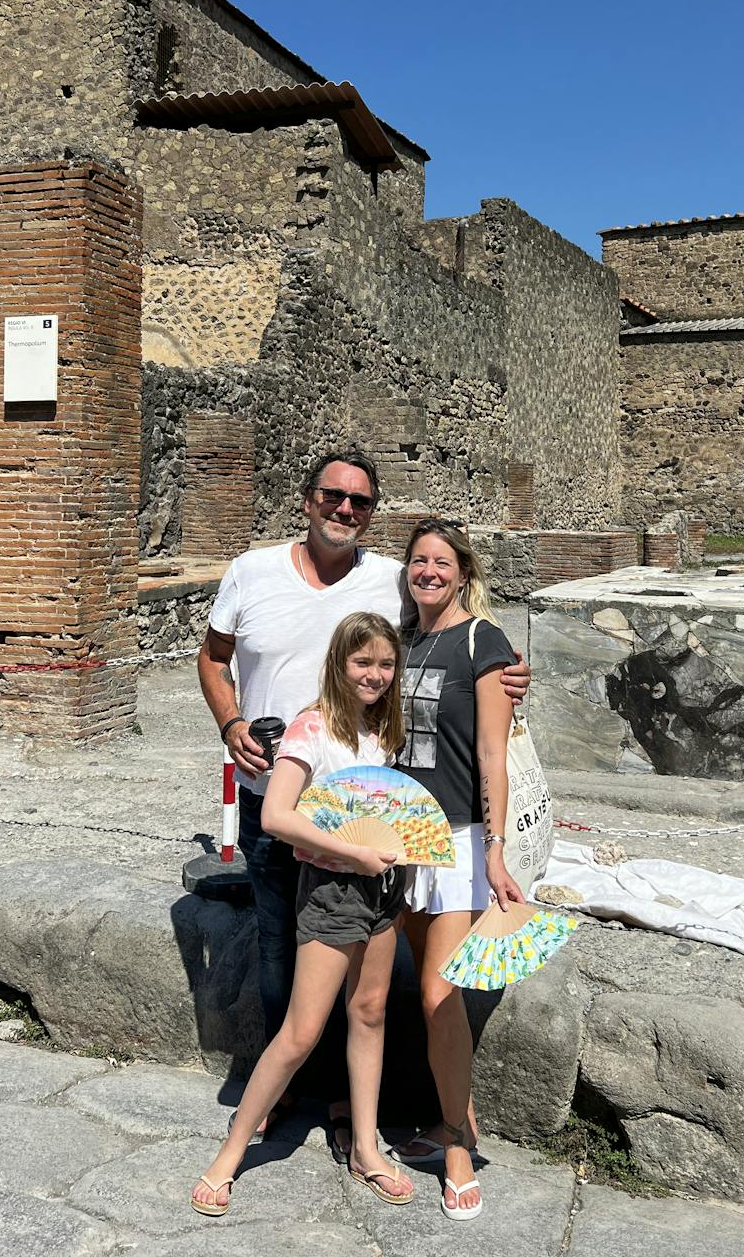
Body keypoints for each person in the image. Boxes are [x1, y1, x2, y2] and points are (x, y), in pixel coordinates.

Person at [198, 449, 530, 1156]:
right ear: (307, 498)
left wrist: (507, 671)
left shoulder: (393, 585)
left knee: (379, 990)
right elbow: (211, 656)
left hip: (384, 830)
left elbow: (466, 672)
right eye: (333, 496)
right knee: (280, 957)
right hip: (277, 802)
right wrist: (231, 727)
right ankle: (287, 1091)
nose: (345, 509)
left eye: (361, 502)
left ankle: (375, 1116)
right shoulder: (254, 570)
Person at [192, 612, 416, 1216]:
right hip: (333, 888)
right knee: (301, 1031)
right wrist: (354, 852)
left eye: (386, 664)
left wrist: (400, 856)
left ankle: (367, 1148)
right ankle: (231, 1152)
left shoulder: (384, 728)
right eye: (362, 662)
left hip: (382, 889)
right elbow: (276, 817)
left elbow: (387, 804)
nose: (374, 675)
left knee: (369, 1013)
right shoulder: (311, 728)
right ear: (340, 664)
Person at [392, 519, 526, 1221]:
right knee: (418, 985)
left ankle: (456, 1153)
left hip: (455, 841)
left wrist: (495, 848)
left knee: (438, 995)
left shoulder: (484, 642)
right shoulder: (400, 637)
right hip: (397, 838)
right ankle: (457, 1122)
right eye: (419, 561)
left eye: (442, 562)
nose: (430, 572)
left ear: (464, 572)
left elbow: (494, 756)